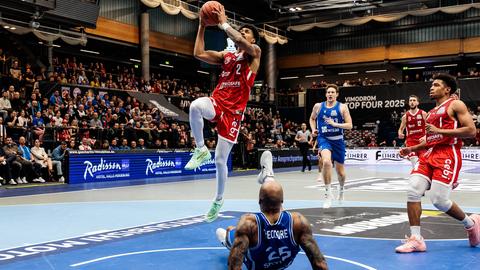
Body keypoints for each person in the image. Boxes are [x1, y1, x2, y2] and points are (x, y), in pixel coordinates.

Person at [184, 4, 262, 222]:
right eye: (242, 30)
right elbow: (198, 53)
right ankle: (200, 149)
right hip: (218, 102)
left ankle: (218, 200)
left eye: (247, 32)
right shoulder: (226, 56)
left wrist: (223, 23)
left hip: (234, 113)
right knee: (195, 106)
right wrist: (201, 26)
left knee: (220, 160)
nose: (243, 33)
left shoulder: (254, 53)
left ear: (253, 40)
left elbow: (240, 42)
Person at [397, 73, 480, 253]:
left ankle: (471, 223)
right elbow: (431, 139)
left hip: (448, 154)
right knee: (412, 190)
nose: (431, 87)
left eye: (436, 85)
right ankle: (416, 238)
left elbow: (471, 131)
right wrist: (411, 149)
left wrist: (439, 130)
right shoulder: (431, 113)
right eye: (431, 85)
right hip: (428, 154)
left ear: (447, 89)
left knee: (438, 200)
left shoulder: (455, 104)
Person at [216, 151, 328, 270]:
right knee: (280, 219)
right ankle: (268, 176)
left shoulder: (249, 224)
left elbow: (234, 267)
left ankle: (227, 240)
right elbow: (320, 264)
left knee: (230, 231)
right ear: (283, 201)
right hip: (280, 256)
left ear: (259, 201)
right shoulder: (298, 222)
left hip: (254, 249)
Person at [309, 84, 352, 208]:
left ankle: (342, 190)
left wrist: (335, 124)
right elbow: (312, 119)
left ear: (337, 94)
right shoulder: (318, 106)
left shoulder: (342, 107)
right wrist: (313, 129)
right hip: (324, 139)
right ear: (325, 94)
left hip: (338, 140)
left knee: (341, 173)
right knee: (326, 162)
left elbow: (350, 125)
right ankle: (328, 194)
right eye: (328, 92)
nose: (330, 94)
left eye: (333, 92)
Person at [397, 95, 427, 166]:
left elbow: (430, 127)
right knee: (415, 162)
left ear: (417, 103)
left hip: (421, 142)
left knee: (423, 162)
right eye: (410, 101)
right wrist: (400, 133)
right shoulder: (405, 116)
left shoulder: (423, 113)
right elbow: (400, 129)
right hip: (410, 142)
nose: (412, 102)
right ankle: (415, 175)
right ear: (409, 103)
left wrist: (426, 136)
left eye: (414, 100)